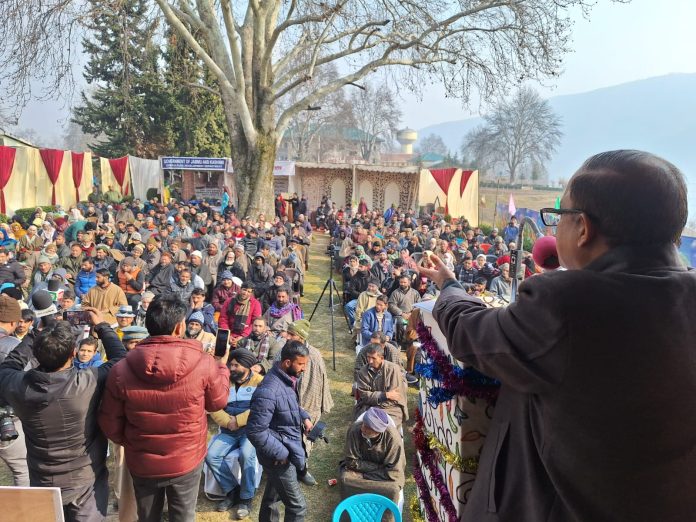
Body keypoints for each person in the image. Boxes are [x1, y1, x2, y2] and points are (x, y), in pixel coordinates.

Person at [419, 150, 696, 521]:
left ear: (583, 228)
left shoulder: (565, 303)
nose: (553, 228)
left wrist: (450, 287)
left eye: (558, 215)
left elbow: (471, 333)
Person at [99, 295, 230, 522]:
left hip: (143, 459)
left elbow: (110, 422)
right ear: (179, 327)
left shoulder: (121, 369)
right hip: (186, 457)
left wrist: (134, 442)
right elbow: (217, 403)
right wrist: (222, 369)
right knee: (183, 516)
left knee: (147, 516)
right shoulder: (204, 363)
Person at [0, 307, 126, 521]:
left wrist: (35, 334)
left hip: (43, 480)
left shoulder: (18, 385)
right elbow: (121, 359)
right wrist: (102, 326)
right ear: (73, 354)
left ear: (36, 354)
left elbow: (9, 366)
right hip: (86, 481)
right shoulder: (87, 382)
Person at [247, 341, 313, 522]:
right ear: (287, 362)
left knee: (272, 498)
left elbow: (288, 404)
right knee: (297, 507)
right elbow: (255, 431)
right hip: (278, 457)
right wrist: (281, 453)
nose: (304, 368)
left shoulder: (286, 379)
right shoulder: (268, 390)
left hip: (283, 449)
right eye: (301, 364)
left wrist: (304, 417)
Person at [207, 349, 264, 518]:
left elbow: (261, 408)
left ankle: (246, 498)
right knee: (211, 455)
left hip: (249, 431)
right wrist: (228, 422)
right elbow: (213, 406)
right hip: (228, 430)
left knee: (246, 454)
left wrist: (238, 421)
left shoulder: (259, 381)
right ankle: (233, 491)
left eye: (236, 365)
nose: (231, 368)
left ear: (247, 366)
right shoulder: (223, 381)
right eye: (230, 364)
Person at [338, 407, 405, 508]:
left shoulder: (393, 439)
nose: (362, 428)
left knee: (393, 489)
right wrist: (376, 467)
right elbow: (351, 461)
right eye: (363, 424)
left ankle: (383, 515)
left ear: (378, 431)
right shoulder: (354, 430)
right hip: (360, 470)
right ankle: (353, 511)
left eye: (367, 428)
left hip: (383, 475)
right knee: (345, 480)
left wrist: (365, 475)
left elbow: (393, 472)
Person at [354, 344, 408, 429]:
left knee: (387, 428)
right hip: (369, 407)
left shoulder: (393, 369)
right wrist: (385, 395)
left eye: (373, 358)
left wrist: (376, 400)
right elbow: (364, 396)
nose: (370, 361)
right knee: (362, 427)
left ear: (382, 358)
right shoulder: (363, 372)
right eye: (368, 357)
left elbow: (395, 398)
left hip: (392, 409)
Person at [219, 282, 262, 347]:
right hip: (229, 333)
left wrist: (242, 336)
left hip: (246, 335)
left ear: (251, 293)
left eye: (248, 291)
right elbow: (223, 319)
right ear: (240, 289)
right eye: (244, 290)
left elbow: (254, 323)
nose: (245, 293)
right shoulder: (229, 301)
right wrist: (228, 335)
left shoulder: (255, 304)